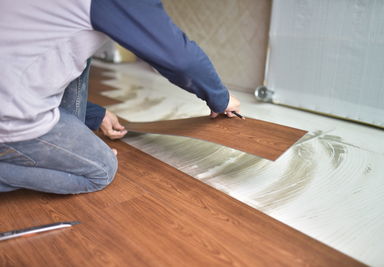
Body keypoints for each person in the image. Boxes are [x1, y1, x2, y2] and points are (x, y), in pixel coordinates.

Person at [0, 0, 241, 194]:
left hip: (9, 86)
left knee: (79, 46)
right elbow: (180, 59)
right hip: (8, 115)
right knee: (101, 169)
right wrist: (221, 98)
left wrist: (95, 115)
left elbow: (40, 54)